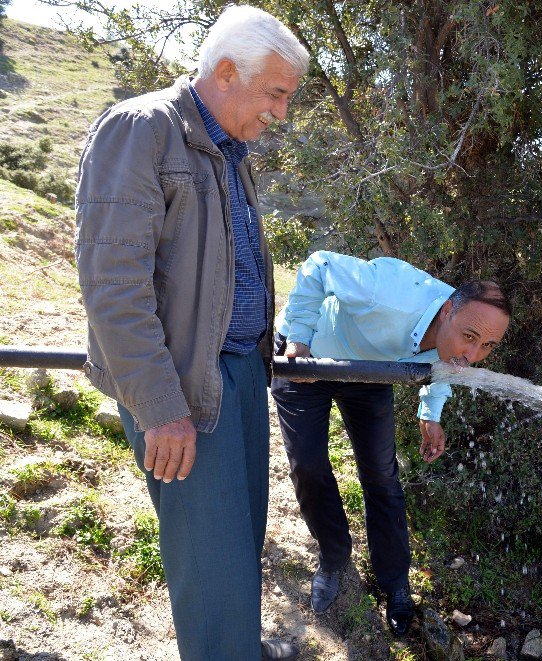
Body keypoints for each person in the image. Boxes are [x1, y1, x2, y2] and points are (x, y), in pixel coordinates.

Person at [74, 6, 310, 659]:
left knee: (239, 549)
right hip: (179, 387)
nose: (281, 113)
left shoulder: (231, 150)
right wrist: (160, 406)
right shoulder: (141, 128)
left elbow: (219, 270)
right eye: (276, 94)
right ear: (227, 73)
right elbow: (113, 284)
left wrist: (269, 337)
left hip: (237, 374)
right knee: (213, 570)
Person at [270, 250, 511, 634]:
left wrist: (431, 414)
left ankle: (395, 582)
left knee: (382, 477)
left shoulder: (465, 331)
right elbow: (319, 265)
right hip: (307, 355)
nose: (472, 354)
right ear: (447, 310)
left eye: (486, 347)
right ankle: (334, 557)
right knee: (308, 466)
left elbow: (447, 365)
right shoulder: (389, 293)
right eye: (469, 338)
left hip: (369, 374)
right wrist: (299, 337)